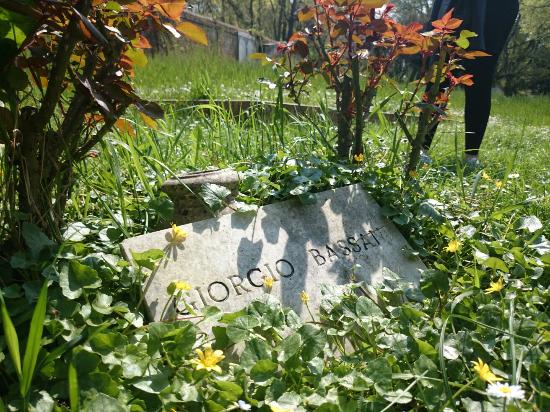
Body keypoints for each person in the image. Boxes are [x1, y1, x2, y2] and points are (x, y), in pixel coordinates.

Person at [422, 0, 520, 166]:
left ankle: (471, 157)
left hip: (498, 8)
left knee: (481, 75)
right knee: (442, 71)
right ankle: (421, 148)